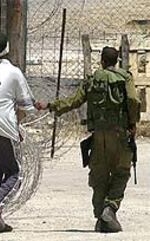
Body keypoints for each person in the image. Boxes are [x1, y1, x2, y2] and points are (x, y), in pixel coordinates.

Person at [36, 47, 140, 232]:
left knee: (99, 174)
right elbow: (132, 100)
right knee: (121, 172)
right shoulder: (125, 77)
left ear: (101, 60)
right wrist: (132, 122)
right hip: (120, 134)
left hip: (99, 135)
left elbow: (74, 101)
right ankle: (110, 208)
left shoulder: (92, 80)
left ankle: (101, 215)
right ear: (117, 61)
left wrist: (51, 105)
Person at [0, 33, 36, 233]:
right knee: (14, 173)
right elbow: (26, 106)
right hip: (5, 127)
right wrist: (16, 126)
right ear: (8, 48)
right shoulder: (13, 72)